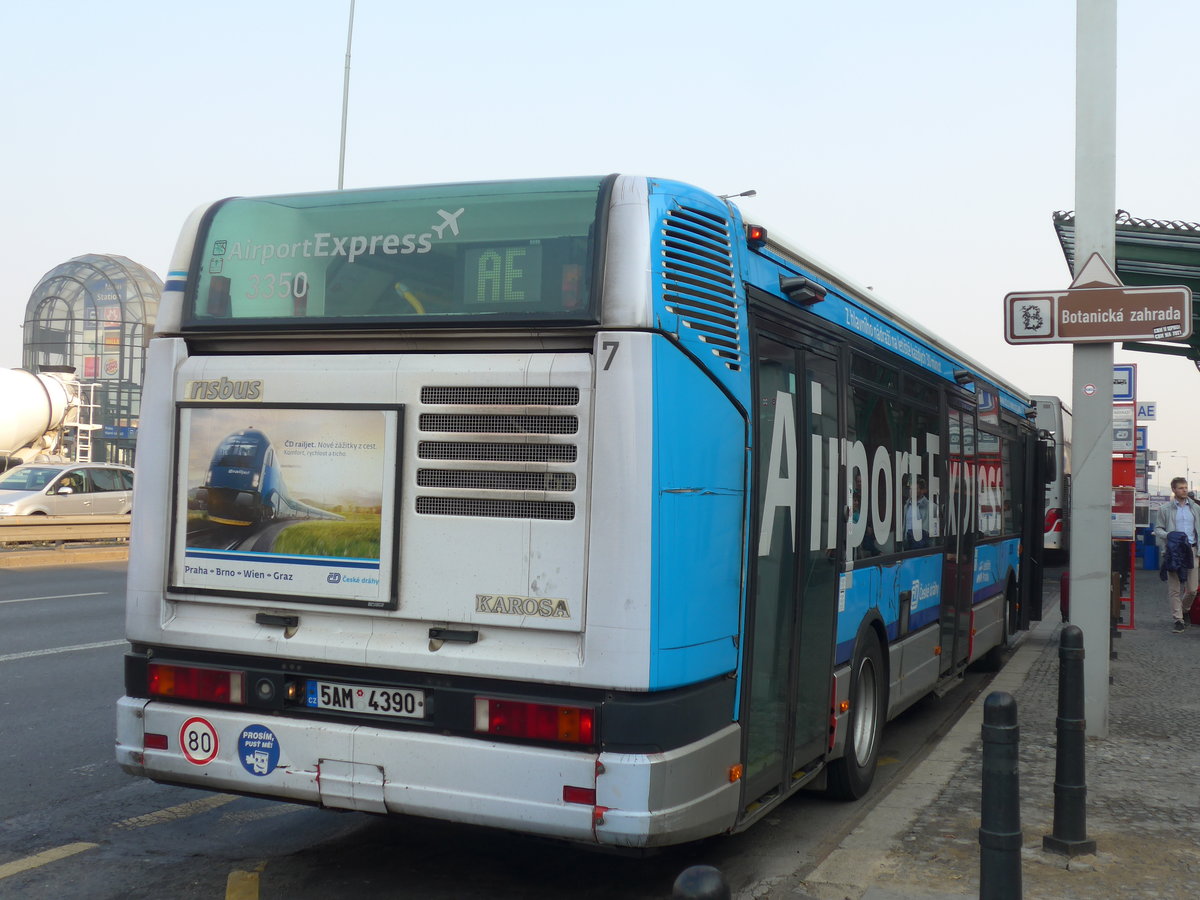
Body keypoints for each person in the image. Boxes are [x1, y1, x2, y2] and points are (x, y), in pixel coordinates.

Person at [1154, 476, 1200, 633]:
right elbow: (1158, 529)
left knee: (1193, 588)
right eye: (1181, 488)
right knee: (1174, 588)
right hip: (1174, 551)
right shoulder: (1165, 509)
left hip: (1192, 550)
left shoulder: (1195, 508)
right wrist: (1169, 535)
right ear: (1174, 490)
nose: (1184, 490)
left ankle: (1185, 610)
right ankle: (1178, 619)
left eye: (1186, 487)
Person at [904, 475, 931, 549]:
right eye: (910, 489)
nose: (911, 491)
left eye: (915, 489)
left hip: (921, 545)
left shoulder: (931, 506)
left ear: (922, 490)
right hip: (907, 544)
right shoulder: (906, 506)